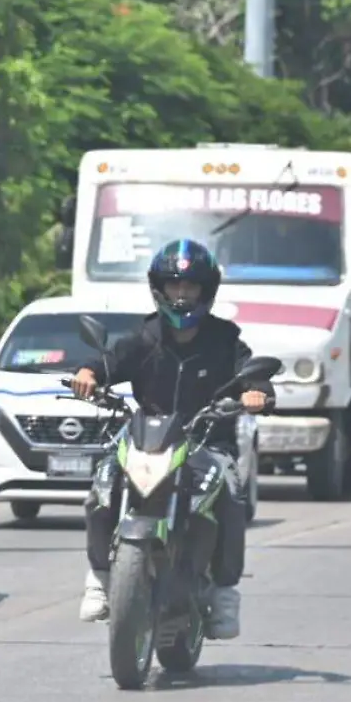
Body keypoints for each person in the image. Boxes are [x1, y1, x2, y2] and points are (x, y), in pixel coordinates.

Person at [67, 239, 273, 640]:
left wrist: (256, 391)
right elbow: (108, 361)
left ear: (206, 291)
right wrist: (89, 374)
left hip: (208, 442)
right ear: (159, 288)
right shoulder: (145, 337)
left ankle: (226, 593)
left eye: (190, 287)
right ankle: (99, 577)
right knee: (101, 488)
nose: (182, 295)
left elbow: (250, 372)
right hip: (148, 439)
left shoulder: (225, 339)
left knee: (231, 497)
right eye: (175, 286)